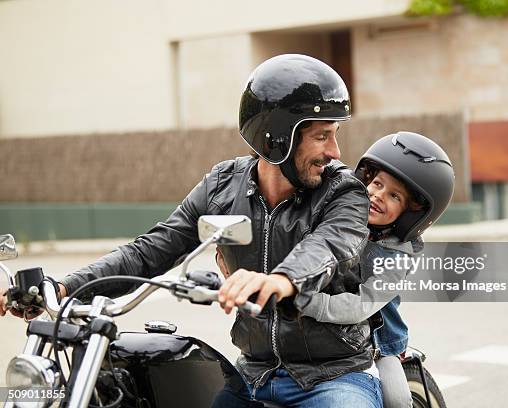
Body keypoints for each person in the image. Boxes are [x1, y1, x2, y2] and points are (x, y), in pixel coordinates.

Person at [1, 54, 382, 407]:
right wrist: (63, 287)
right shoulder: (221, 187)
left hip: (334, 375)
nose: (334, 150)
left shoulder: (343, 192)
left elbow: (327, 247)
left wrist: (281, 280)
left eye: (333, 135)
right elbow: (151, 250)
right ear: (277, 136)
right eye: (321, 136)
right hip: (255, 372)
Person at [300, 132, 455, 407]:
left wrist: (310, 304)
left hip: (378, 345)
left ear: (411, 214)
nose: (378, 195)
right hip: (333, 337)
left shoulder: (397, 257)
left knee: (396, 398)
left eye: (394, 195)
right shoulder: (341, 219)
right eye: (377, 183)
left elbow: (361, 305)